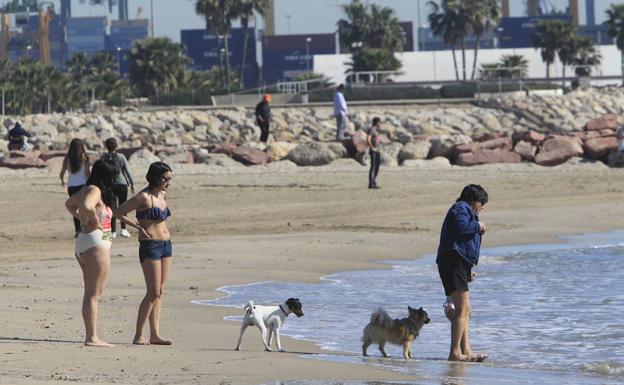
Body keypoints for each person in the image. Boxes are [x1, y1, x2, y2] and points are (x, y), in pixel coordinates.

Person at [115, 162, 173, 345]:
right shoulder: (143, 197)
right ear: (155, 177)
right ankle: (139, 335)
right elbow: (118, 212)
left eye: (170, 178)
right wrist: (137, 226)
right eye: (166, 178)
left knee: (160, 291)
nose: (168, 182)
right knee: (153, 292)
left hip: (166, 245)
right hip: (150, 246)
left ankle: (155, 334)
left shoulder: (162, 194)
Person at [65, 160, 119, 347]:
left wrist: (82, 219)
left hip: (84, 242)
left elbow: (69, 204)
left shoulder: (87, 188)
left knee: (91, 292)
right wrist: (93, 221)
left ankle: (91, 335)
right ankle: (92, 337)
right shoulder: (95, 190)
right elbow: (87, 205)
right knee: (94, 294)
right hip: (96, 243)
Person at [436, 184, 488, 362]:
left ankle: (465, 350)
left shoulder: (463, 210)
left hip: (456, 263)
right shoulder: (461, 208)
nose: (482, 209)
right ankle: (455, 353)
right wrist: (478, 226)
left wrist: (466, 271)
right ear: (475, 201)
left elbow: (461, 244)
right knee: (463, 309)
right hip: (452, 262)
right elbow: (462, 228)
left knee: (466, 310)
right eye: (482, 204)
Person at [101, 138, 135, 239]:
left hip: (109, 186)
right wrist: (132, 183)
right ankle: (124, 230)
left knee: (112, 209)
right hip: (122, 184)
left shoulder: (104, 157)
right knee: (123, 207)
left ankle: (113, 232)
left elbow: (100, 171)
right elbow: (127, 171)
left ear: (106, 146)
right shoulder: (121, 157)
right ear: (116, 146)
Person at [60, 139, 91, 237]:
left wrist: (62, 181)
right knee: (83, 208)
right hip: (83, 186)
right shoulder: (85, 157)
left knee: (74, 208)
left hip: (71, 186)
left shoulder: (67, 158)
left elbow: (62, 173)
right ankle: (84, 227)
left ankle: (78, 230)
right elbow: (87, 174)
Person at [367, 117, 382, 189]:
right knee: (373, 167)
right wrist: (372, 148)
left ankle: (374, 182)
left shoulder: (376, 130)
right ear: (377, 122)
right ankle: (371, 184)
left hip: (378, 151)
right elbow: (368, 139)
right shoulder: (372, 129)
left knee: (377, 167)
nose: (380, 124)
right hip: (374, 151)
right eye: (380, 122)